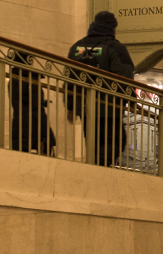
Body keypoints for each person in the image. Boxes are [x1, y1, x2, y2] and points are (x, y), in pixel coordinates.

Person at [67, 11, 135, 167]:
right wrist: (130, 100)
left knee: (93, 141)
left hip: (85, 106)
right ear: (112, 28)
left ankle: (96, 168)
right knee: (116, 141)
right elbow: (124, 75)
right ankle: (99, 168)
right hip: (109, 106)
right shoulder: (114, 47)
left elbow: (69, 79)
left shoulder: (77, 47)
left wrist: (71, 106)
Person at [9, 50, 56, 156]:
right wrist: (46, 136)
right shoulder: (31, 80)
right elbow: (36, 109)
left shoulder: (13, 79)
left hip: (19, 124)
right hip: (34, 126)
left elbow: (20, 102)